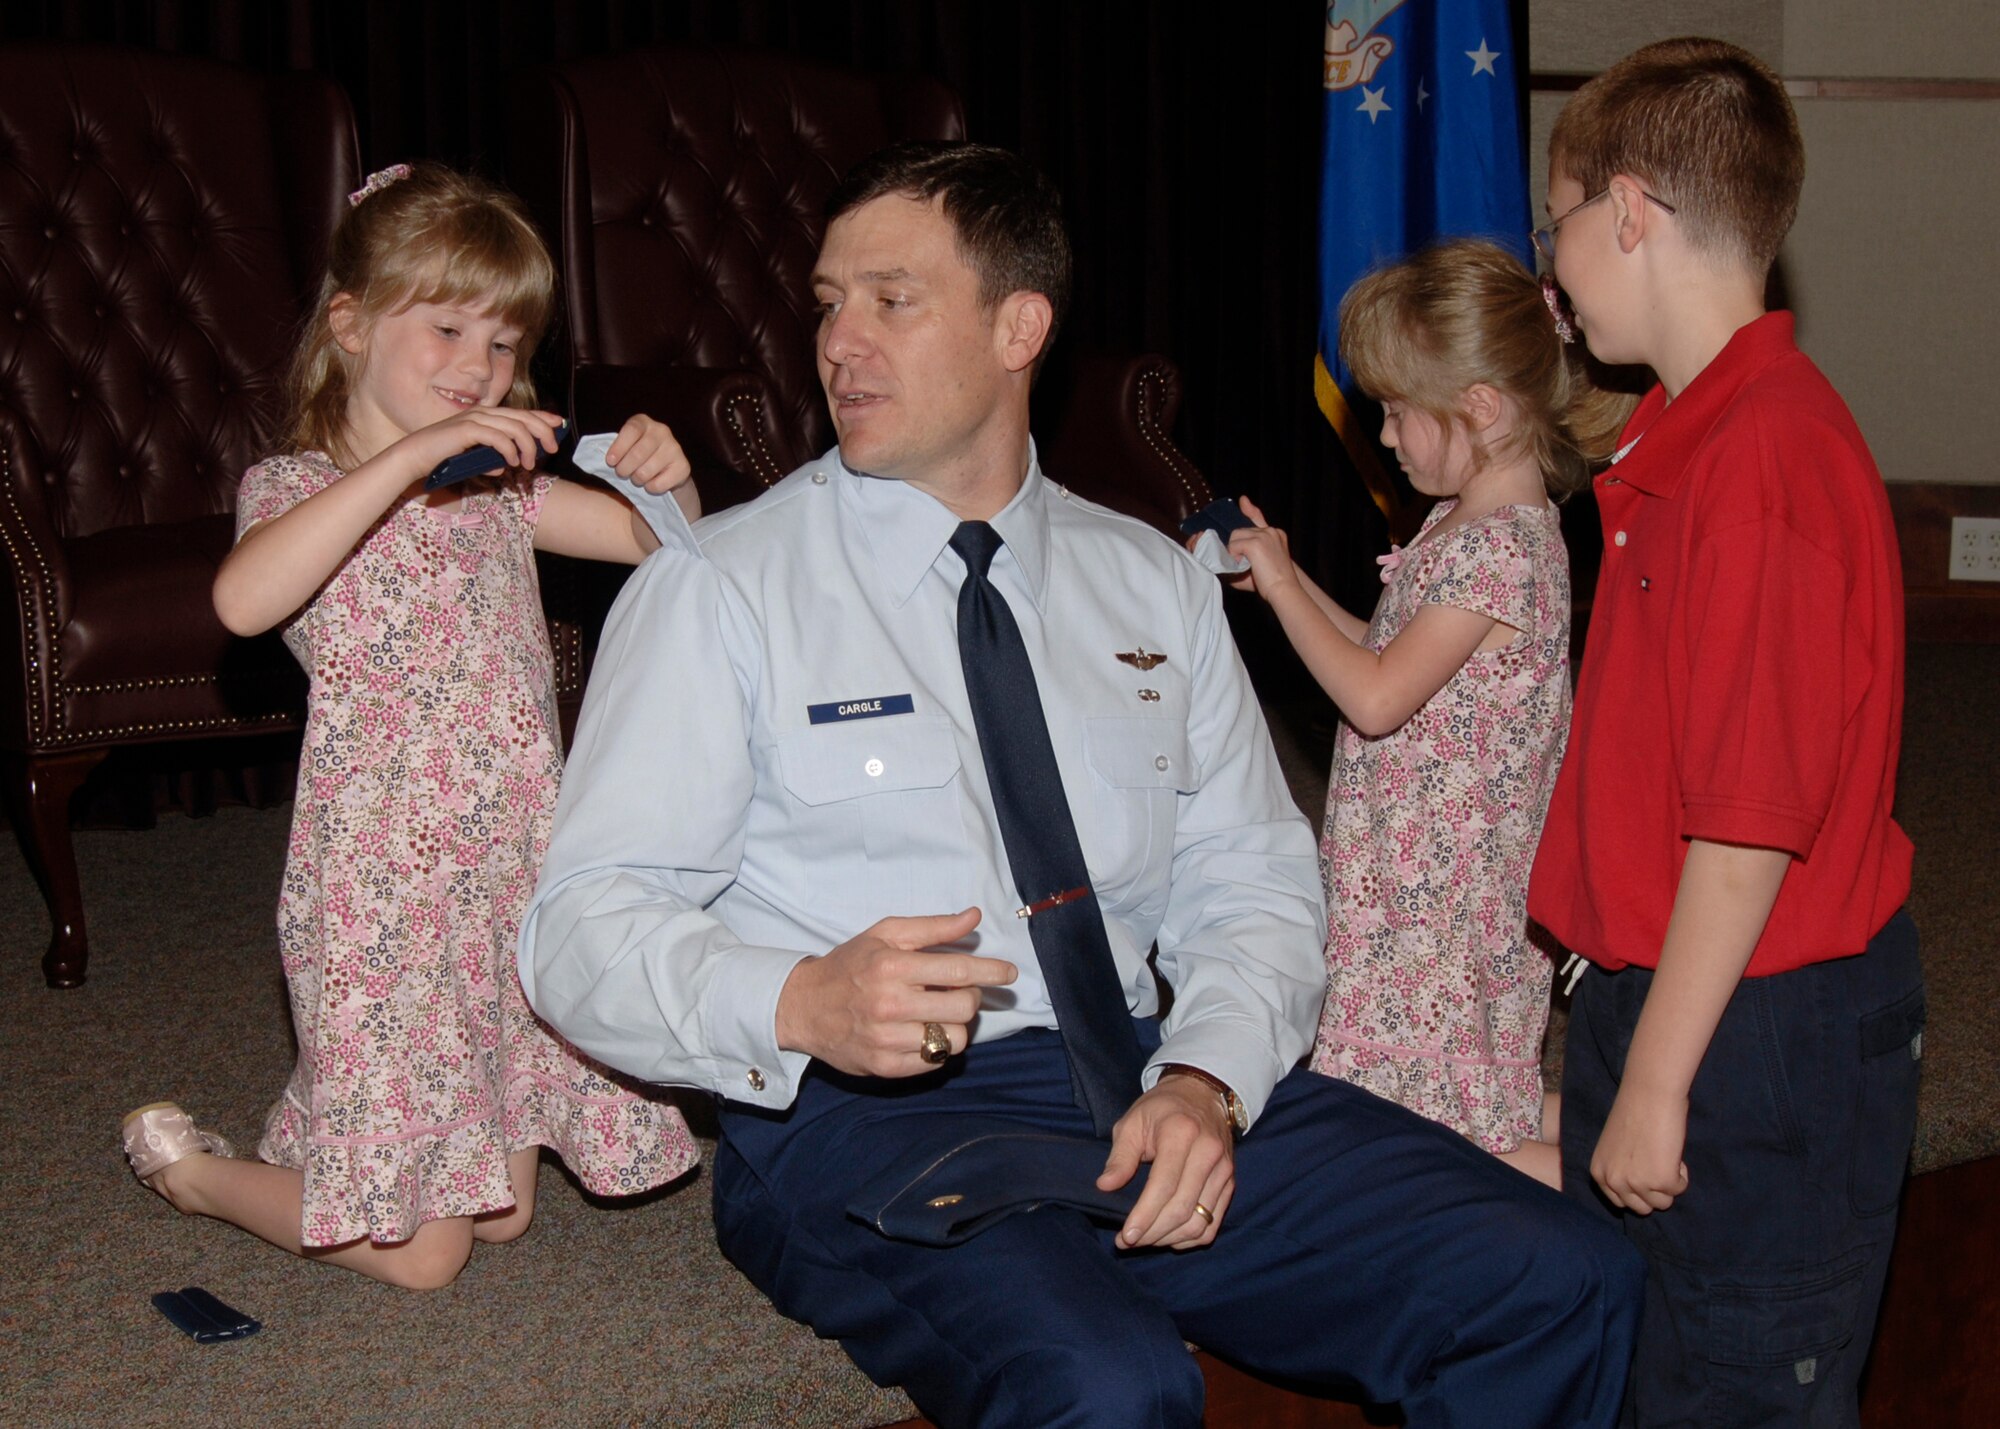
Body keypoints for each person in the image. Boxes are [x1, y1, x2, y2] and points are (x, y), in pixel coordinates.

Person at [521, 140, 1641, 1427]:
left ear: (1019, 325)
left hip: (1146, 1067)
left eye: (892, 300)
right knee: (1109, 1385)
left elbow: (1254, 878)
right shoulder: (718, 589)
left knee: (1564, 1277)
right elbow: (577, 927)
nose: (840, 342)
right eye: (828, 303)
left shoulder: (1151, 585)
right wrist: (797, 996)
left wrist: (1209, 1079)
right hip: (864, 1112)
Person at [119, 162, 702, 1290]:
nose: (477, 368)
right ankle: (197, 1174)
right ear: (349, 325)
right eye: (445, 329)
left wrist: (666, 486)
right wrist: (407, 461)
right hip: (383, 889)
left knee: (504, 1218)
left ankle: (354, 1142)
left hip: (516, 860)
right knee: (429, 1256)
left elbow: (666, 551)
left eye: (501, 344)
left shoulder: (498, 496)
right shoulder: (292, 486)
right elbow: (242, 601)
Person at [1526, 39, 1923, 1424]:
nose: (1554, 266)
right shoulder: (1700, 435)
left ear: (1627, 212)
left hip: (1758, 1031)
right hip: (1693, 995)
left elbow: (1747, 828)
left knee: (1741, 1383)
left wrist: (1654, 1083)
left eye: (1556, 225)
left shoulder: (1762, 460)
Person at [1208, 239, 1611, 1189]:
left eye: (1396, 411)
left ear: (1479, 406)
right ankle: (1614, 1152)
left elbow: (1376, 697)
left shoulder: (1499, 549)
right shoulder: (1464, 521)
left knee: (1440, 1136)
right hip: (1407, 884)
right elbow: (1392, 655)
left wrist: (1281, 586)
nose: (1385, 436)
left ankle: (1616, 1201)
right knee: (1451, 1103)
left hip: (1444, 908)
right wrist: (1286, 578)